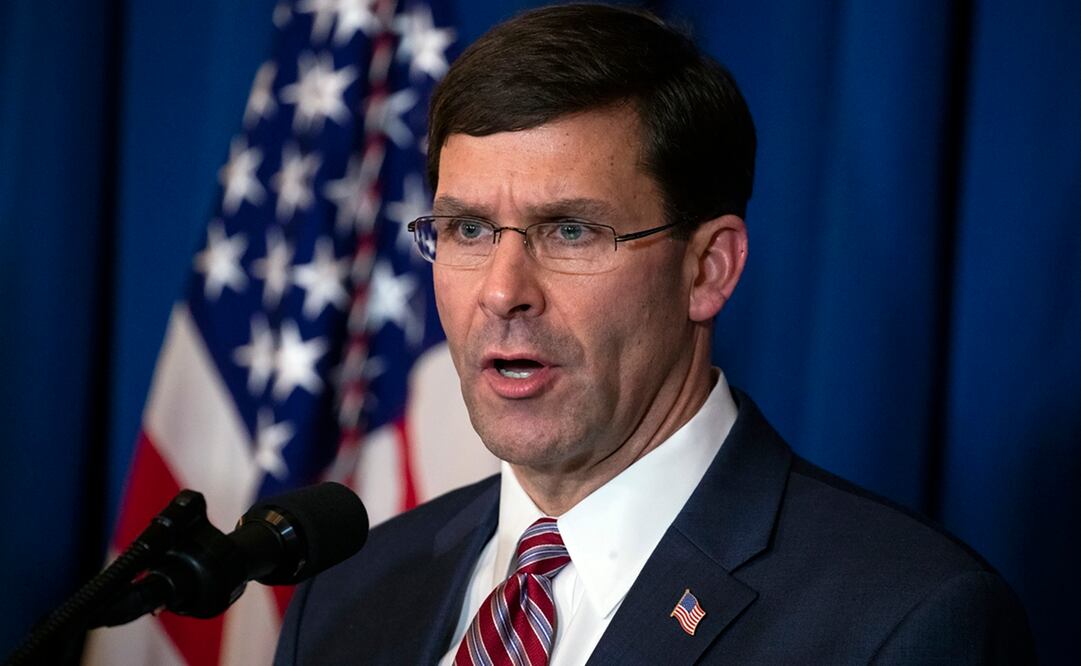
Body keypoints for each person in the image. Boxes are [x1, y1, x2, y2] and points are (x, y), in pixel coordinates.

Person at [274, 4, 1035, 664]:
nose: (502, 291)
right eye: (468, 229)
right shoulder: (347, 594)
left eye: (569, 231)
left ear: (707, 270)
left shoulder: (904, 620)